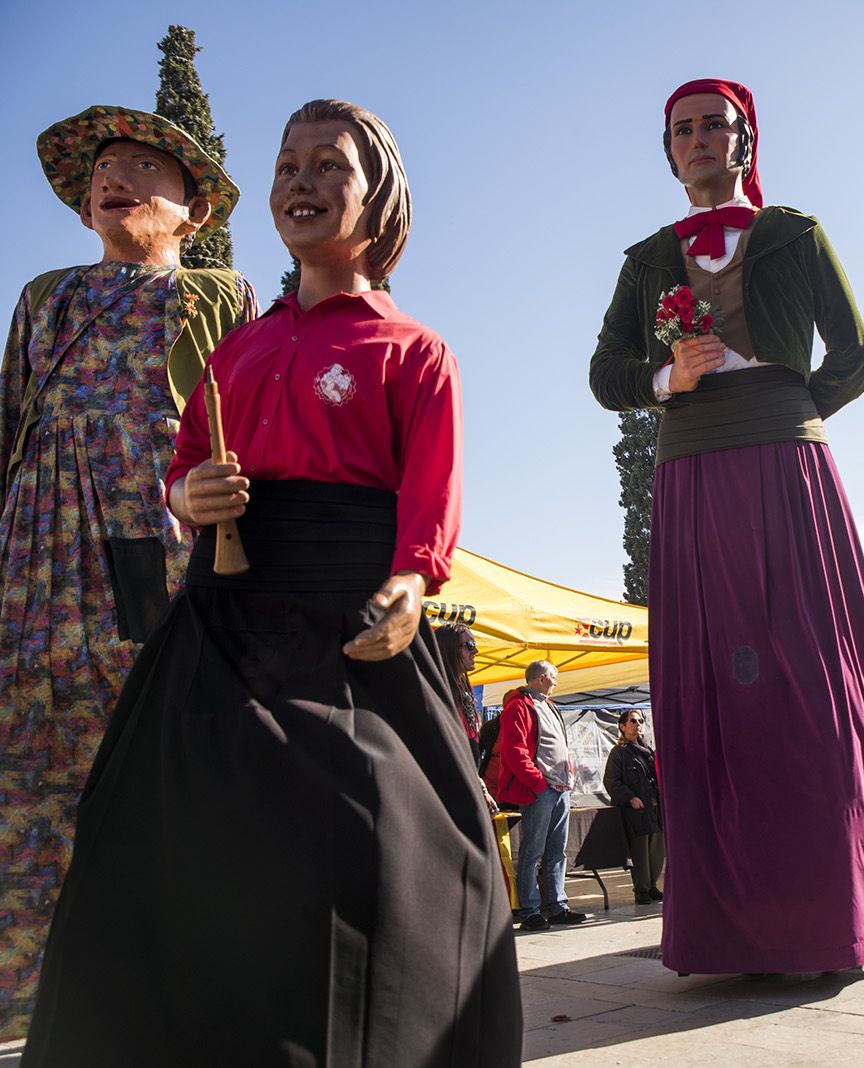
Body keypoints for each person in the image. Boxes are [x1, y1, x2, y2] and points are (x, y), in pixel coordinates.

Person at [20, 99, 520, 1065]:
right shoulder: (234, 348)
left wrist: (411, 587)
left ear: (380, 201)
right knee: (150, 831)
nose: (299, 180)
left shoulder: (414, 351)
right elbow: (187, 470)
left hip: (351, 621)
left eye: (329, 165)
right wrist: (191, 491)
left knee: (376, 843)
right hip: (216, 622)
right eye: (287, 164)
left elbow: (432, 495)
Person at [588, 78, 864, 975]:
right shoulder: (646, 258)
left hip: (783, 464)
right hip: (689, 468)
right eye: (682, 130)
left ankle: (832, 911)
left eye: (714, 127)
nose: (697, 140)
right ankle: (734, 926)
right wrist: (668, 382)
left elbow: (860, 356)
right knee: (715, 689)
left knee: (810, 674)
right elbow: (605, 371)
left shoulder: (794, 234)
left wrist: (789, 406)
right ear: (669, 152)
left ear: (745, 141)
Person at [0, 106, 256, 1034]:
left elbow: (244, 429)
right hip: (37, 547)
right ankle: (31, 988)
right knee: (27, 731)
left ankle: (172, 977)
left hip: (151, 532)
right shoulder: (45, 297)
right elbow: (11, 422)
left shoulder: (219, 295)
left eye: (147, 167)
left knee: (156, 727)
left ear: (193, 211)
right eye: (105, 167)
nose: (116, 177)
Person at [499, 660, 587, 932]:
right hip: (542, 788)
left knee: (556, 851)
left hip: (558, 786)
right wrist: (538, 783)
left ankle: (557, 906)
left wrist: (568, 774)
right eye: (553, 677)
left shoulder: (549, 706)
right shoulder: (519, 706)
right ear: (539, 678)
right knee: (532, 851)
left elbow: (559, 745)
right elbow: (515, 751)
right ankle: (530, 911)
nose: (556, 681)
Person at [603, 710, 665, 906]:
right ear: (622, 726)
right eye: (632, 721)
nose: (637, 724)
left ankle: (652, 885)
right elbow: (611, 781)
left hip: (654, 807)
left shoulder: (648, 750)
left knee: (656, 849)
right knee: (640, 852)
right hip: (635, 810)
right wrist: (630, 798)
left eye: (640, 721)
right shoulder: (619, 753)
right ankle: (642, 889)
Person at [435, 621, 483, 761]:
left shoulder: (462, 687)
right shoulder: (438, 691)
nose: (476, 651)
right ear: (449, 649)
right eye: (469, 646)